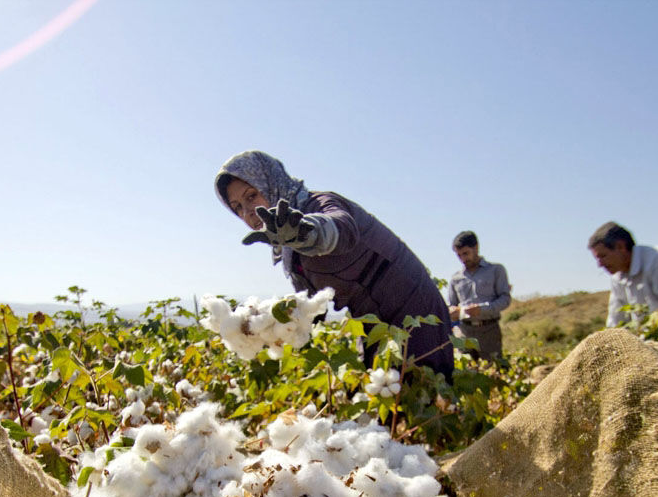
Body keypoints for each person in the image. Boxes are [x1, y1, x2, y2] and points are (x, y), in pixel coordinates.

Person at [214, 150, 453, 379]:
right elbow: (313, 308)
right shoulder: (289, 252)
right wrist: (264, 324)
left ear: (270, 183)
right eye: (237, 207)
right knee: (383, 401)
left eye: (251, 196)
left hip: (415, 312)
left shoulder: (319, 204)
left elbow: (341, 229)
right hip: (372, 323)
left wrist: (304, 233)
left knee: (424, 394)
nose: (247, 212)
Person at [446, 231, 511, 361]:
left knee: (492, 372)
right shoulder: (455, 278)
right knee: (464, 374)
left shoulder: (496, 270)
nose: (463, 259)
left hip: (489, 331)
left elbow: (505, 299)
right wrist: (452, 311)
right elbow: (451, 305)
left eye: (466, 253)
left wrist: (482, 310)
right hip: (464, 332)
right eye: (459, 255)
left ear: (476, 248)